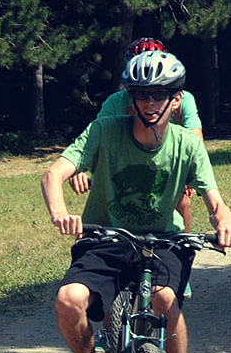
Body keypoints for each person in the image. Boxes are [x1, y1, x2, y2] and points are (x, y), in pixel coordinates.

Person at [41, 50, 231, 353]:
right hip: (105, 239)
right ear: (131, 98)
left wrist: (223, 223)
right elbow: (54, 174)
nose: (149, 103)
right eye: (141, 95)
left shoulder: (187, 144)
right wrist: (60, 210)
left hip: (162, 241)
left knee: (166, 300)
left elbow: (214, 199)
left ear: (176, 100)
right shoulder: (105, 130)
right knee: (68, 300)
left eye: (159, 95)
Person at [71, 37, 204, 235]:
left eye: (157, 92)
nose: (148, 97)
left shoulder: (181, 98)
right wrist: (78, 169)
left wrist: (187, 168)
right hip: (125, 164)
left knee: (181, 200)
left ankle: (182, 248)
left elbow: (195, 136)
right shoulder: (115, 101)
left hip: (168, 161)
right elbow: (92, 140)